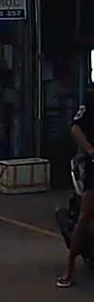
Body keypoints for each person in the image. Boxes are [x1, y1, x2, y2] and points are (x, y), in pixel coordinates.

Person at [59, 101, 94, 287]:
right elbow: (75, 128)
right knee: (86, 215)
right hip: (93, 164)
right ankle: (69, 269)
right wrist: (91, 150)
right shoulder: (91, 101)